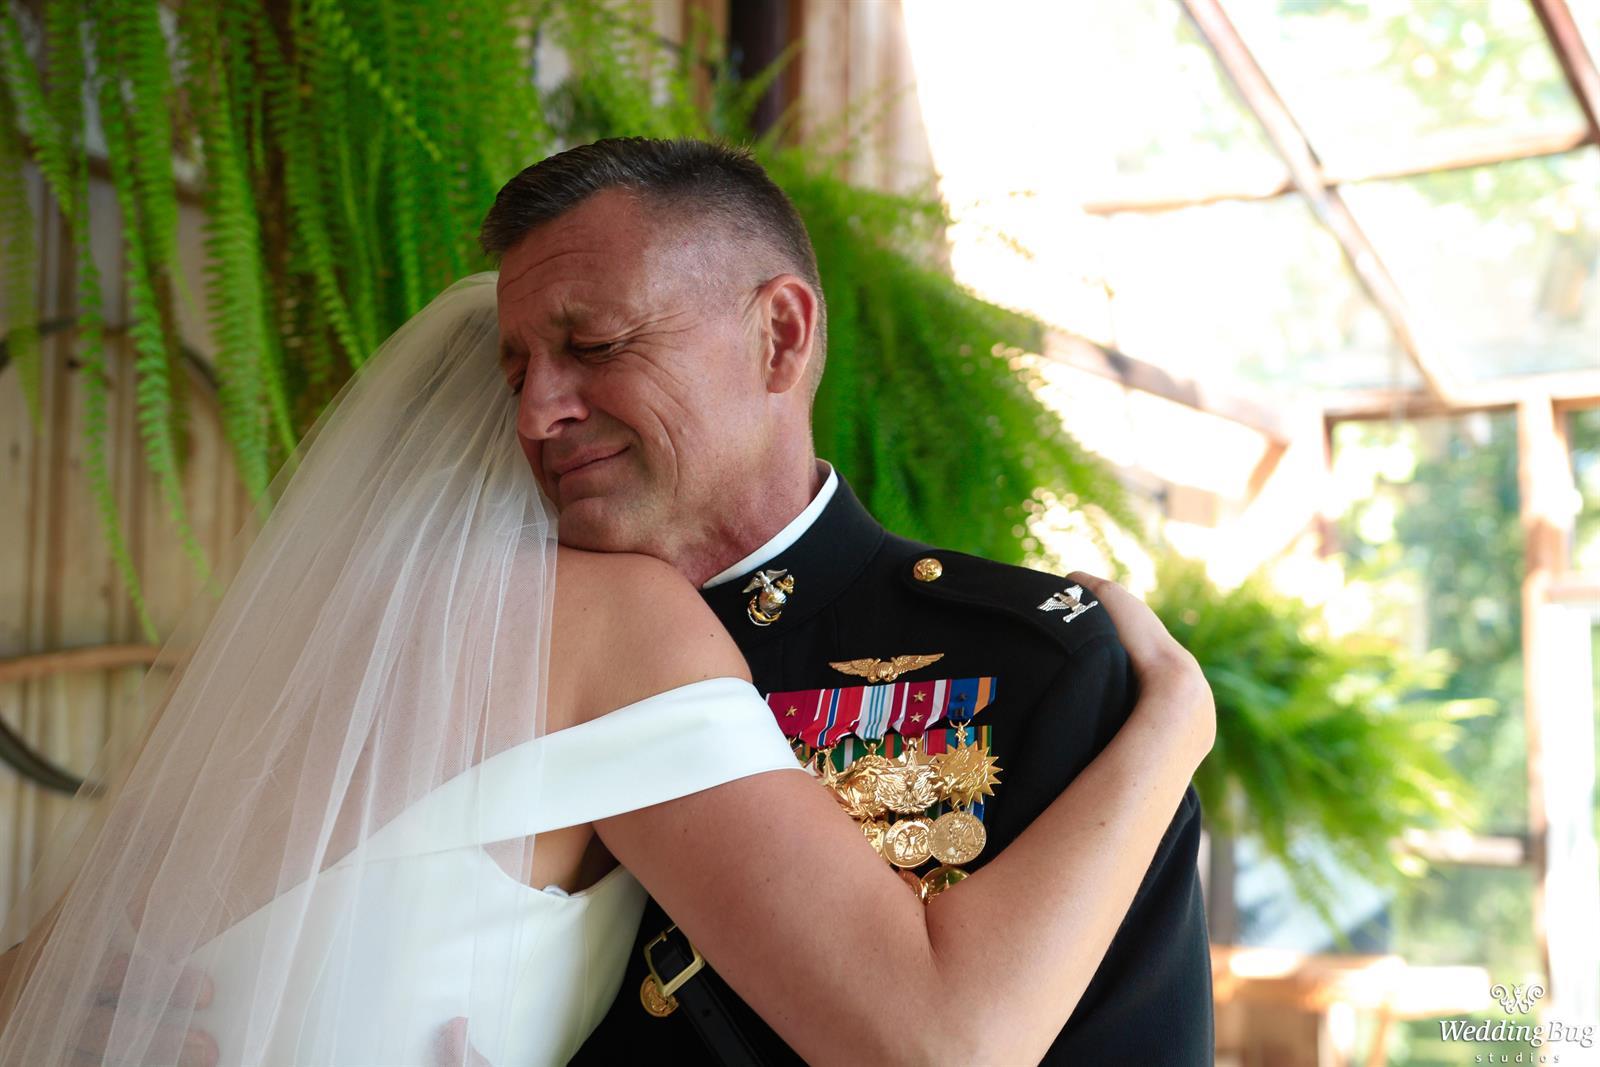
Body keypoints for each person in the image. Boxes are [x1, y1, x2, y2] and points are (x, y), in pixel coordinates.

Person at [0, 138, 1213, 1066]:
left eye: (595, 344)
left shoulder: (1024, 662)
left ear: (780, 336)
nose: (537, 412)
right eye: (516, 368)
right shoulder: (478, 640)